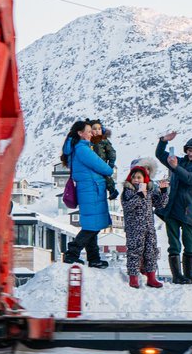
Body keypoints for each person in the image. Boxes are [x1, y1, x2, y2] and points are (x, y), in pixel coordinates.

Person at [154, 131, 192, 284]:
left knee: (190, 244)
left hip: (188, 211)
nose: (190, 153)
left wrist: (175, 168)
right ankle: (177, 276)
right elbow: (159, 154)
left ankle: (189, 276)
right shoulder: (177, 161)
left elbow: (190, 179)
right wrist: (163, 140)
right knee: (174, 244)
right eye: (189, 150)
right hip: (171, 209)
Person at [60, 119, 113, 268]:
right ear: (80, 133)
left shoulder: (74, 148)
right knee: (92, 226)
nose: (91, 134)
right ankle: (72, 253)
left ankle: (94, 258)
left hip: (88, 190)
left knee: (92, 224)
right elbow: (104, 168)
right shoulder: (82, 149)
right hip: (91, 190)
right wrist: (108, 169)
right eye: (89, 131)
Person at [120, 159, 168, 289]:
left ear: (145, 178)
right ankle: (133, 277)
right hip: (134, 229)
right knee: (134, 252)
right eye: (134, 177)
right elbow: (127, 206)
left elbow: (160, 204)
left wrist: (164, 192)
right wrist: (139, 195)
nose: (136, 180)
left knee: (151, 252)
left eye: (139, 177)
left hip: (149, 227)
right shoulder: (128, 191)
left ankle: (151, 278)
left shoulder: (150, 190)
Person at [90, 120, 118, 201]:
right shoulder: (88, 141)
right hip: (91, 165)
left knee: (107, 177)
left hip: (102, 164)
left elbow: (111, 152)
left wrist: (111, 163)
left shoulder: (103, 140)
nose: (97, 131)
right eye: (94, 129)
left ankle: (112, 191)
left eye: (99, 129)